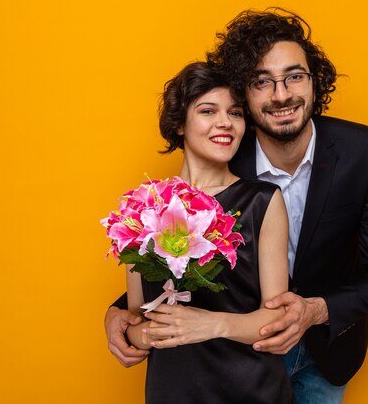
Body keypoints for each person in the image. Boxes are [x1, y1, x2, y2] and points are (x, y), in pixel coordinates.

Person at [106, 8, 368, 404]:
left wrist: (315, 311)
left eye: (294, 76)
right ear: (245, 96)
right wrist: (120, 316)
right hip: (235, 359)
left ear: (315, 82)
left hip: (327, 351)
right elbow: (178, 253)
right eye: (262, 82)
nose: (281, 94)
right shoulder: (224, 151)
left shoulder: (362, 152)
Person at [120, 62, 296, 403]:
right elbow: (136, 319)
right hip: (172, 390)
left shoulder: (263, 201)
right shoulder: (144, 207)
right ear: (179, 124)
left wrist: (212, 325)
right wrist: (143, 333)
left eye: (235, 112)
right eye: (208, 110)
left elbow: (275, 317)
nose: (225, 123)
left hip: (250, 390)